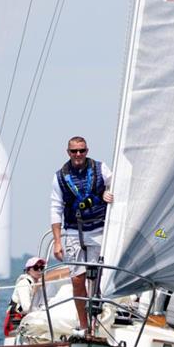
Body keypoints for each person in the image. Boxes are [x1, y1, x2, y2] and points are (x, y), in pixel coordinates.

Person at [51, 136, 113, 331]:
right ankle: (84, 324)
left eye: (82, 150)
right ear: (68, 152)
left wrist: (108, 192)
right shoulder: (60, 176)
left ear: (87, 151)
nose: (78, 154)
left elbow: (119, 185)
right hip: (73, 231)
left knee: (94, 277)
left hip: (98, 229)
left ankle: (95, 322)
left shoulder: (100, 168)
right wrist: (57, 241)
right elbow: (55, 208)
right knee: (77, 280)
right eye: (74, 151)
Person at [3, 256, 46, 337]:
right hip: (16, 324)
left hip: (29, 320)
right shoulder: (24, 284)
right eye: (36, 267)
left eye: (42, 267)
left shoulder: (38, 285)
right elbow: (26, 308)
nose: (39, 270)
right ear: (28, 270)